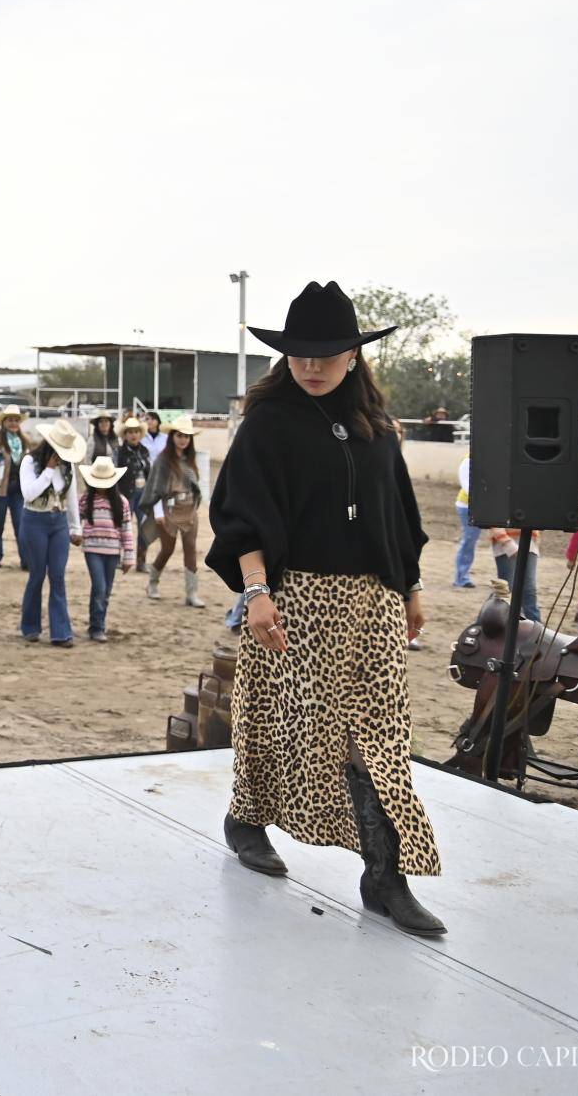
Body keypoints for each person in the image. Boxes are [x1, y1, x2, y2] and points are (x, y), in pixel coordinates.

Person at [207, 279, 444, 937]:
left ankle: (383, 875)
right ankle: (246, 818)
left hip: (373, 602)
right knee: (275, 718)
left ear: (353, 355)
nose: (311, 365)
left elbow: (401, 515)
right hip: (294, 600)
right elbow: (239, 516)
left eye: (327, 352)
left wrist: (412, 586)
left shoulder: (378, 430)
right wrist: (255, 592)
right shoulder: (269, 424)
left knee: (379, 736)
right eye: (299, 353)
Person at [18, 420, 87, 647]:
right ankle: (30, 626)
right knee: (37, 574)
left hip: (58, 522)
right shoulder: (29, 462)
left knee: (57, 575)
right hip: (34, 520)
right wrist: (48, 470)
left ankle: (61, 631)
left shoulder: (68, 467)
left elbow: (72, 499)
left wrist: (75, 527)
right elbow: (29, 494)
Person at [146, 415, 207, 607]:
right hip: (169, 509)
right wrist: (158, 513)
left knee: (191, 548)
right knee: (168, 549)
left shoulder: (191, 460)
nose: (183, 439)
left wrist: (195, 502)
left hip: (188, 509)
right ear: (172, 436)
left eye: (187, 436)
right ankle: (152, 583)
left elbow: (197, 485)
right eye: (180, 435)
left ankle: (192, 593)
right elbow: (155, 488)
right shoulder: (163, 460)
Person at [77, 455, 132, 643]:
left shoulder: (122, 502)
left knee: (106, 590)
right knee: (100, 587)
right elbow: (75, 520)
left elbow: (127, 530)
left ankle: (98, 623)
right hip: (92, 550)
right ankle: (97, 627)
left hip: (113, 552)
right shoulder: (85, 500)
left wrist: (129, 557)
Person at [0, 405, 29, 569]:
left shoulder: (24, 442)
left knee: (21, 523)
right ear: (4, 422)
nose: (13, 423)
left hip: (19, 489)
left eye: (16, 420)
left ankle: (26, 559)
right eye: (10, 420)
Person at [115, 415, 154, 573]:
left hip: (143, 493)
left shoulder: (145, 451)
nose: (133, 435)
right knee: (123, 526)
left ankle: (141, 561)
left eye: (136, 431)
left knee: (144, 528)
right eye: (130, 432)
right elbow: (114, 473)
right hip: (125, 493)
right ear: (125, 434)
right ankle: (118, 558)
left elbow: (149, 473)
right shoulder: (119, 452)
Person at [487, 527, 542, 623]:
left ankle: (535, 627)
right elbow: (493, 517)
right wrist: (506, 542)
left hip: (530, 542)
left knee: (529, 589)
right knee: (505, 590)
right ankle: (488, 622)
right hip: (505, 545)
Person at [452, 456, 478, 588]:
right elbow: (467, 486)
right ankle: (461, 577)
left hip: (480, 505)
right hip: (468, 505)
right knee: (469, 539)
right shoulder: (468, 461)